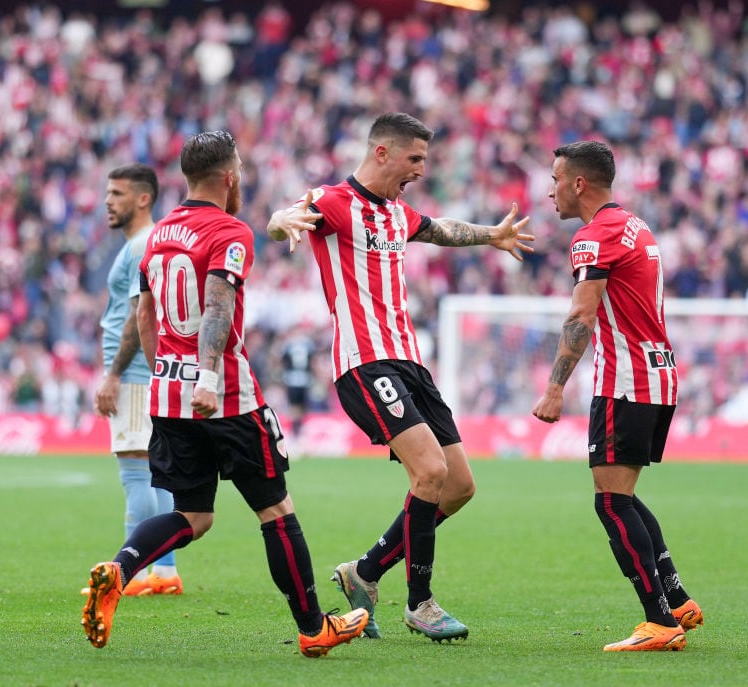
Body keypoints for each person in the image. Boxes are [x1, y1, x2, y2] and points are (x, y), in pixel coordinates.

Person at [81, 130, 368, 657]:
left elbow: (144, 314)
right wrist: (206, 377)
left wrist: (171, 371)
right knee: (276, 512)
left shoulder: (160, 232)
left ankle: (119, 569)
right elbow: (217, 307)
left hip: (167, 397)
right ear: (229, 177)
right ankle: (313, 628)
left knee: (194, 516)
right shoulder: (230, 231)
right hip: (226, 397)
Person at [267, 112, 533, 642]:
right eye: (415, 158)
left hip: (410, 363)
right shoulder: (336, 202)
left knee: (458, 486)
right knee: (430, 473)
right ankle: (421, 603)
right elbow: (283, 217)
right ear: (383, 153)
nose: (420, 169)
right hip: (365, 363)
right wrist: (284, 223)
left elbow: (440, 230)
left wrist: (491, 235)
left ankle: (363, 572)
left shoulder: (395, 214)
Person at [531, 140, 702, 652]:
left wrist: (555, 387)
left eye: (556, 178)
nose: (550, 190)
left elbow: (582, 315)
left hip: (625, 381)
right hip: (658, 375)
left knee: (610, 503)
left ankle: (659, 621)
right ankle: (676, 598)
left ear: (579, 183)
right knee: (621, 495)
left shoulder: (594, 235)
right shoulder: (635, 225)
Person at [90, 163, 182, 597]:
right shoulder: (155, 240)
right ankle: (163, 572)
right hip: (154, 372)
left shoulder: (139, 244)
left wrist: (113, 374)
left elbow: (136, 314)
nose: (108, 201)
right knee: (156, 475)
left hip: (135, 374)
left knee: (135, 473)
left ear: (143, 198)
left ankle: (132, 572)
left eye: (117, 193)